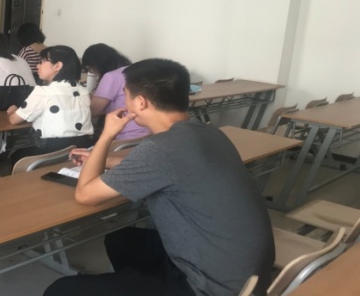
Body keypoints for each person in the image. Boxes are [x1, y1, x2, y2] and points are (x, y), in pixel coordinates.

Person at [44, 59, 274, 296]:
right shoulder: (209, 133)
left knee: (60, 290)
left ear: (140, 102)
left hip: (206, 288)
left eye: (126, 96)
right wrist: (99, 159)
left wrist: (106, 136)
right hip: (245, 272)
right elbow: (162, 166)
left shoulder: (160, 149)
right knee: (121, 241)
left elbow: (85, 195)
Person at [7, 45, 93, 165]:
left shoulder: (43, 92)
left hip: (50, 151)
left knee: (15, 156)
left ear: (57, 66)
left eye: (42, 62)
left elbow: (14, 120)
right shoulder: (84, 91)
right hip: (81, 151)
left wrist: (13, 110)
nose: (37, 66)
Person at [81, 43, 150, 141]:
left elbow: (94, 110)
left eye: (91, 68)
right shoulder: (134, 71)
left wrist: (84, 97)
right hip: (148, 133)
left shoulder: (112, 77)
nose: (93, 72)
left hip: (126, 135)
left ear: (97, 65)